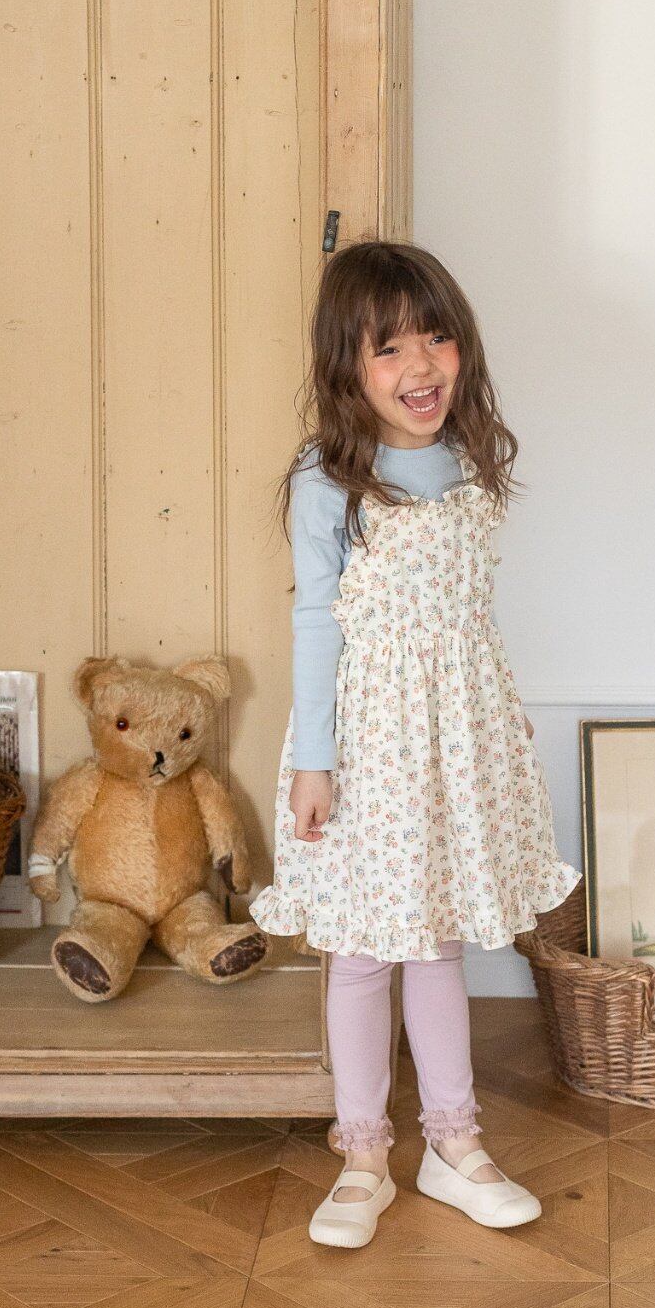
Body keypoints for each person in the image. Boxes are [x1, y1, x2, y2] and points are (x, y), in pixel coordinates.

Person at [249, 241, 580, 1248]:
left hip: (456, 740)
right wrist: (316, 760)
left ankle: (453, 1144)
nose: (420, 366)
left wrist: (497, 707)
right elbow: (317, 623)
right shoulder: (329, 481)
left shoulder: (469, 462)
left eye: (436, 338)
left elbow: (470, 612)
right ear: (345, 367)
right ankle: (361, 1157)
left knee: (435, 940)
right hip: (366, 747)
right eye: (388, 348)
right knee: (361, 952)